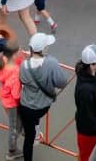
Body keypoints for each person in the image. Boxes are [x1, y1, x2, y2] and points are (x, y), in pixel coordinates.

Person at [18, 32, 71, 161]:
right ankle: (35, 129)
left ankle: (32, 137)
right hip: (42, 106)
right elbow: (61, 82)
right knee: (35, 120)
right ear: (43, 49)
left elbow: (22, 80)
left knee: (28, 139)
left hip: (25, 106)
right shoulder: (51, 63)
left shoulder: (24, 64)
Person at [0, 43, 26, 160]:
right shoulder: (15, 73)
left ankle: (23, 130)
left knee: (18, 121)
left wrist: (21, 57)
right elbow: (16, 94)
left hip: (5, 96)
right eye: (19, 51)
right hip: (11, 102)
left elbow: (19, 62)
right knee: (14, 127)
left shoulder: (4, 61)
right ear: (13, 55)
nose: (21, 51)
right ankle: (12, 151)